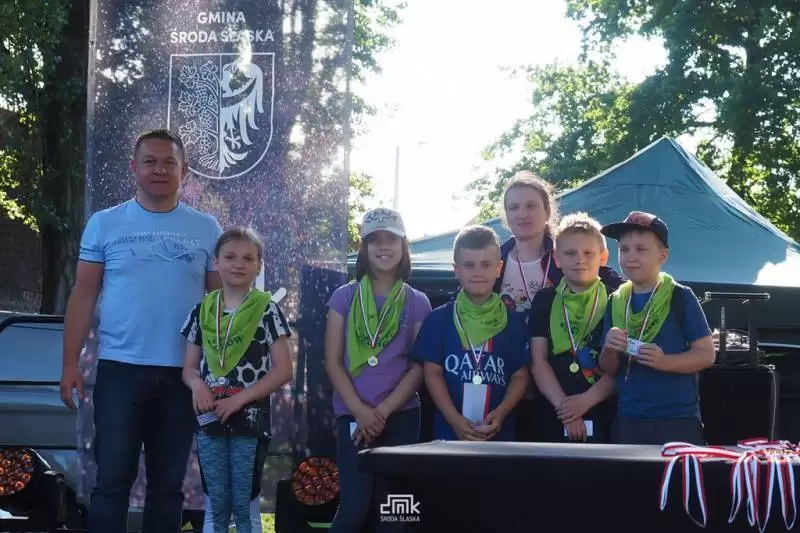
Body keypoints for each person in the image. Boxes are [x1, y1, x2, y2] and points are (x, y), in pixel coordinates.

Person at [60, 129, 224, 533]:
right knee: (111, 483)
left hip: (183, 375)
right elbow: (83, 296)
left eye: (169, 162)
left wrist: (221, 370)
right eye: (150, 161)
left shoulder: (207, 228)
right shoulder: (105, 224)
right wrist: (69, 364)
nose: (159, 169)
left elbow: (221, 305)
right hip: (120, 371)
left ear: (185, 171)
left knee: (168, 489)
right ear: (134, 167)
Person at [324, 207, 431, 533]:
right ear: (364, 247)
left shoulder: (418, 301)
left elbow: (418, 368)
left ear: (404, 246)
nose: (384, 247)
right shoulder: (343, 297)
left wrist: (381, 412)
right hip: (353, 416)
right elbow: (333, 362)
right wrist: (361, 412)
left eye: (392, 239)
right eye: (375, 240)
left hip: (401, 415)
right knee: (354, 508)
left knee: (396, 513)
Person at [495, 171, 623, 441]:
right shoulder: (494, 260)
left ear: (547, 211)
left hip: (569, 393)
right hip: (510, 385)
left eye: (531, 205)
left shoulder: (571, 248)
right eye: (514, 207)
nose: (523, 214)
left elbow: (621, 285)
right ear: (505, 215)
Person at [181, 227, 292, 533]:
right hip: (209, 419)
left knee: (244, 504)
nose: (238, 264)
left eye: (248, 258)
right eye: (230, 257)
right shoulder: (202, 311)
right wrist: (198, 385)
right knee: (215, 504)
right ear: (216, 262)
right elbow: (188, 369)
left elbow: (284, 370)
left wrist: (238, 400)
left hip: (249, 420)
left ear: (259, 266)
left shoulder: (268, 310)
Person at [598, 211, 715, 445]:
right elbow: (609, 369)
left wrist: (664, 362)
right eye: (624, 249)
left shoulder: (681, 297)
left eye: (641, 249)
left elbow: (706, 355)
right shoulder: (616, 301)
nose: (631, 256)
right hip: (628, 419)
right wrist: (609, 349)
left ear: (663, 255)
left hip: (677, 420)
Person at [412, 225, 530, 441]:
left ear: (498, 268)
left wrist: (501, 412)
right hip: (449, 435)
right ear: (456, 269)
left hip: (499, 435)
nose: (477, 273)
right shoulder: (439, 319)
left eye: (486, 265)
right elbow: (432, 373)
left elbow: (520, 375)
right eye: (469, 265)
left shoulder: (513, 322)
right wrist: (454, 419)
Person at [529, 213, 622, 443]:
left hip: (603, 411)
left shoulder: (618, 299)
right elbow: (538, 361)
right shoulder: (544, 300)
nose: (580, 259)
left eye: (588, 253)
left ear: (603, 257)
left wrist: (586, 401)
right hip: (554, 412)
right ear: (557, 258)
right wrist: (566, 410)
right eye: (570, 253)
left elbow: (623, 365)